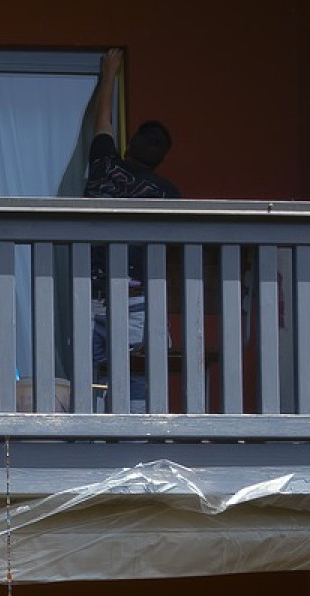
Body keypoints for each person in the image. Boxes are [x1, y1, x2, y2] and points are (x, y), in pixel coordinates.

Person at [85, 47, 178, 407]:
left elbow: (102, 120)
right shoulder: (167, 193)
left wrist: (109, 73)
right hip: (137, 300)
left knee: (90, 382)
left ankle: (91, 442)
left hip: (91, 296)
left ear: (129, 144)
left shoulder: (104, 165)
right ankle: (133, 442)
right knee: (136, 379)